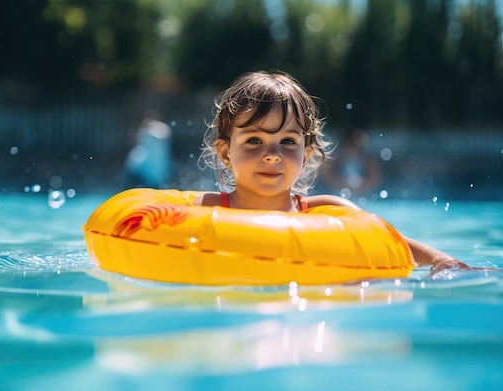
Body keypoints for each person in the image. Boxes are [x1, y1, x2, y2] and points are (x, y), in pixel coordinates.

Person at [194, 70, 470, 274]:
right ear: (225, 153)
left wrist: (442, 261)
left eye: (288, 142)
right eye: (254, 140)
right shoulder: (207, 209)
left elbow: (389, 242)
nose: (271, 154)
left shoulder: (327, 211)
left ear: (305, 156)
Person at [322, 129, 382, 197]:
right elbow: (326, 178)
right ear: (345, 145)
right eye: (352, 146)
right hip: (340, 192)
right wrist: (342, 185)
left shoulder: (367, 161)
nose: (354, 150)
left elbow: (375, 179)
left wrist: (360, 188)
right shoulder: (335, 160)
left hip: (361, 194)